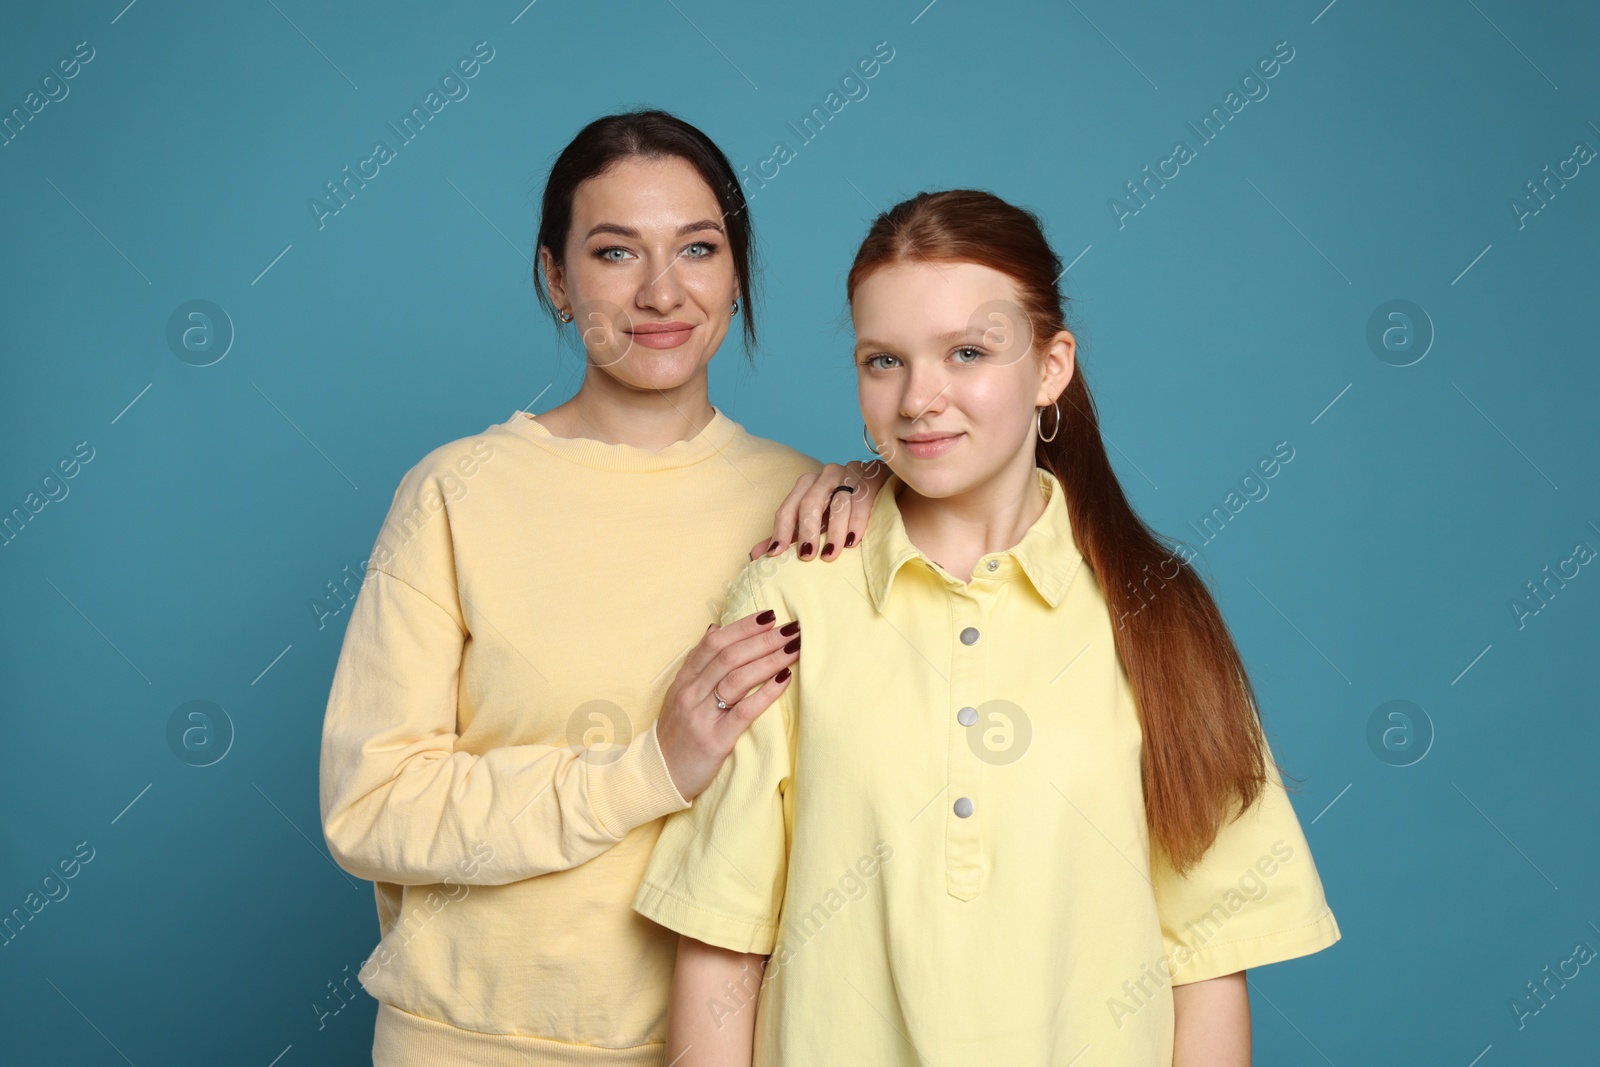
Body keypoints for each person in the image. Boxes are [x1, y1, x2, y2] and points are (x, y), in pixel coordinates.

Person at [632, 189, 1342, 1066]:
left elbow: (1206, 960)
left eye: (967, 351)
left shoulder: (1157, 610)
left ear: (1051, 367)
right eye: (883, 360)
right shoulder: (788, 602)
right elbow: (720, 938)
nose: (920, 398)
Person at [318, 108, 889, 1065]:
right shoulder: (454, 494)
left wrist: (894, 485)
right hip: (470, 1043)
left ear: (736, 269)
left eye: (698, 248)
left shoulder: (813, 507)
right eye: (616, 252)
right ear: (555, 277)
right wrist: (642, 772)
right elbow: (372, 805)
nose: (663, 292)